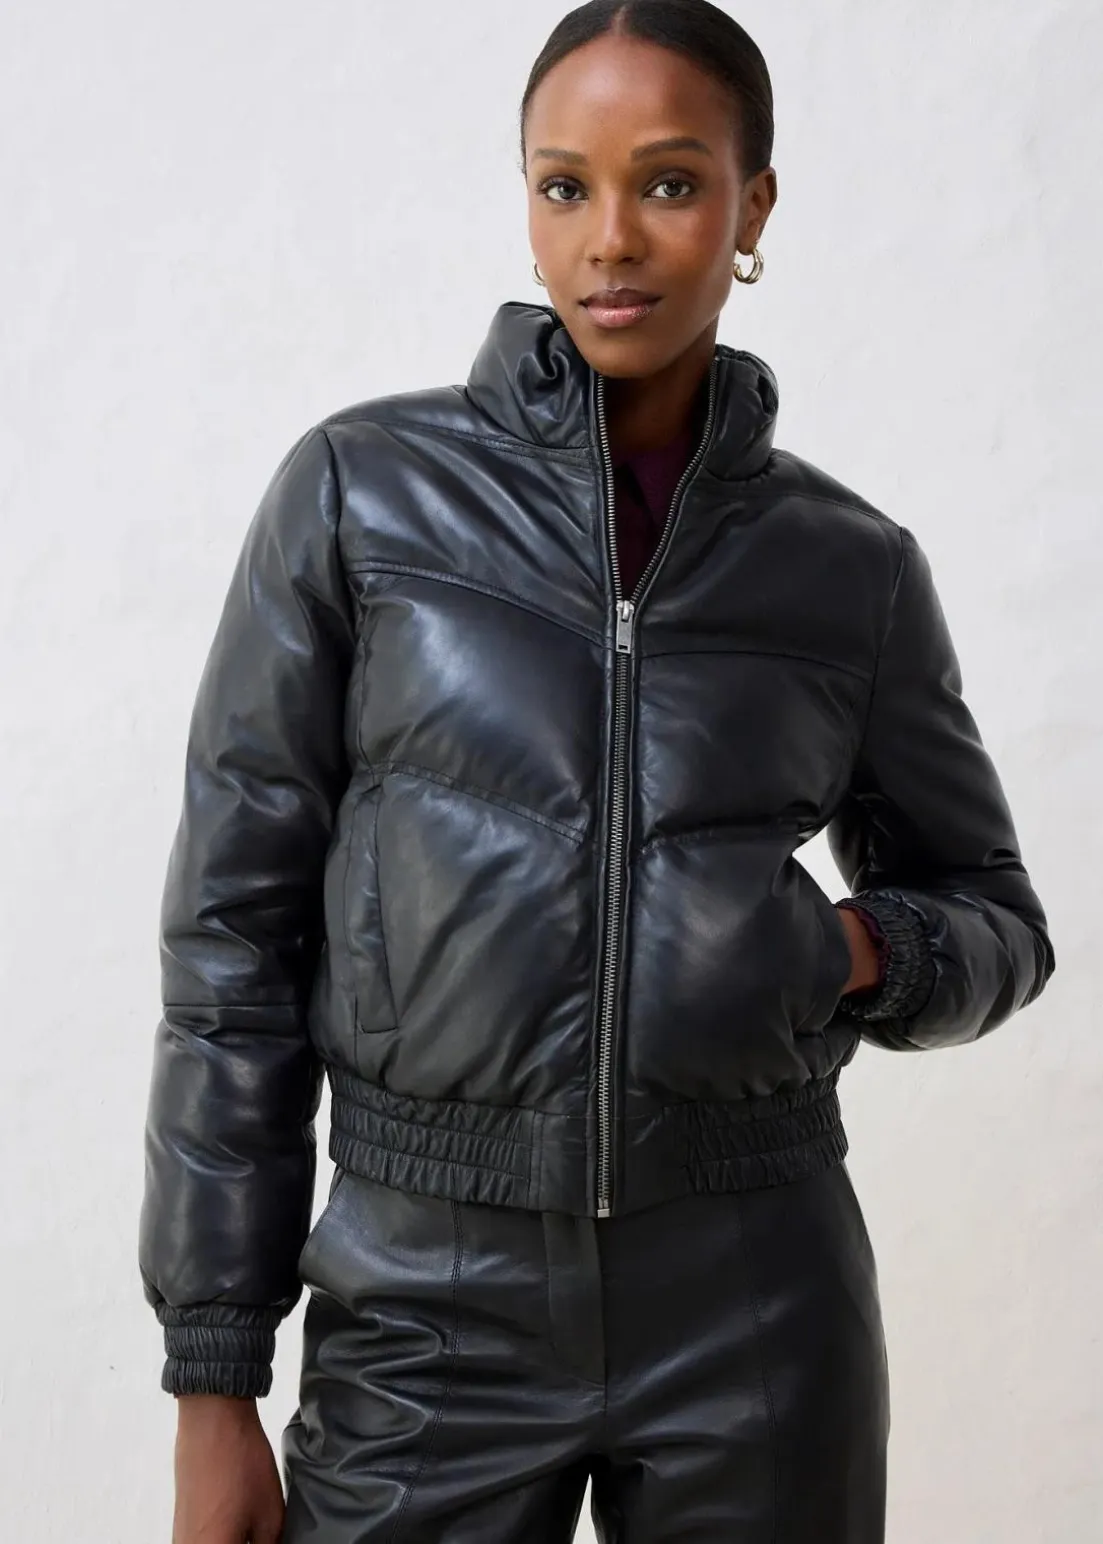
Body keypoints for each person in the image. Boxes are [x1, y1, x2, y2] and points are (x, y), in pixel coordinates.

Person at [139, 3, 1055, 1541]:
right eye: (564, 185)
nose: (610, 238)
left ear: (753, 208)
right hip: (424, 1300)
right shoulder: (362, 498)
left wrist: (847, 949)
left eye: (670, 183)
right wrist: (212, 1377)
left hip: (755, 1300)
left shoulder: (848, 568)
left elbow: (995, 918)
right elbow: (233, 945)